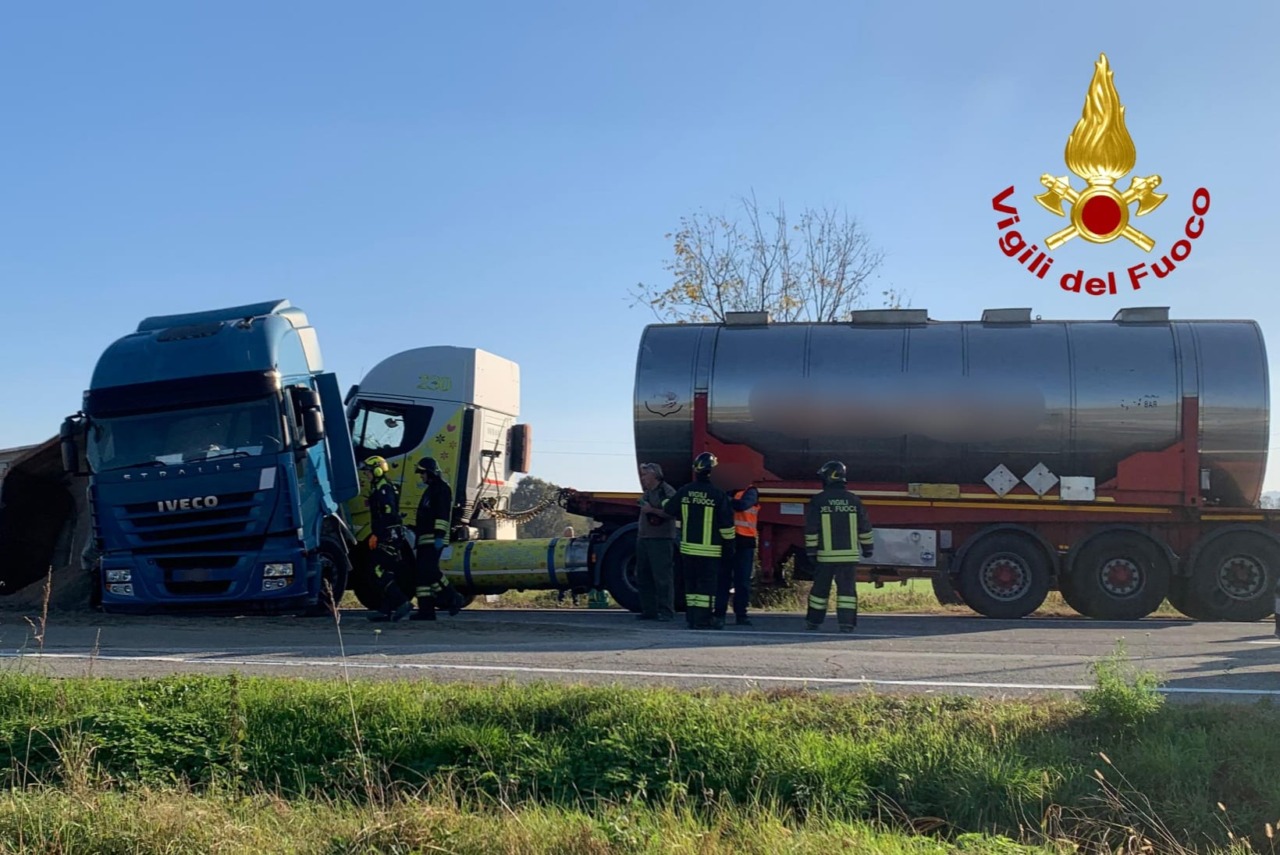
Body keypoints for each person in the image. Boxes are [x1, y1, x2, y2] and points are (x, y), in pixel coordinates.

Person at [663, 452, 736, 630]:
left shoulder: (685, 491)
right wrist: (730, 547)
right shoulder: (718, 495)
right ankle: (703, 620)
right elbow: (726, 526)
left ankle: (692, 618)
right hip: (710, 551)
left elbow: (669, 508)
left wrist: (665, 500)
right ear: (712, 471)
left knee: (691, 586)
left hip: (688, 550)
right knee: (706, 587)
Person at [804, 460, 875, 632]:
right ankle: (847, 624)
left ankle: (814, 622)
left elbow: (811, 528)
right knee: (847, 592)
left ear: (828, 477)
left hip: (825, 557)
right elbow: (864, 526)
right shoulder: (853, 500)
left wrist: (811, 551)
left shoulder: (819, 500)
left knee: (819, 591)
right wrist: (868, 548)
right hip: (848, 557)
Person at [408, 456, 465, 621]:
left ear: (430, 473)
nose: (421, 476)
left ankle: (453, 597)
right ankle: (426, 610)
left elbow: (442, 514)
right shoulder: (430, 490)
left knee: (430, 571)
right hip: (424, 539)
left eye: (423, 473)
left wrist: (439, 535)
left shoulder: (442, 489)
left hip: (434, 539)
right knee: (422, 575)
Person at [362, 455, 414, 622]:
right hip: (387, 534)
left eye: (368, 472)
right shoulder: (379, 486)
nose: (366, 475)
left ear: (377, 470)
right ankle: (387, 609)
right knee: (387, 572)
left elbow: (388, 514)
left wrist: (378, 534)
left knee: (377, 570)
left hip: (388, 536)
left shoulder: (383, 489)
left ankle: (401, 603)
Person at [714, 476, 760, 627]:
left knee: (742, 581)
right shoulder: (727, 492)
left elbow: (742, 505)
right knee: (723, 579)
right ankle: (719, 614)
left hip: (745, 542)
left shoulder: (751, 491)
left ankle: (741, 615)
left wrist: (726, 500)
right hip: (728, 541)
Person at [635, 462, 678, 622]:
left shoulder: (667, 491)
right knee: (643, 576)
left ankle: (666, 612)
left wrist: (651, 510)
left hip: (661, 539)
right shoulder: (647, 492)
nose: (642, 478)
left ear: (654, 475)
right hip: (644, 538)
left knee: (662, 577)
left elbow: (672, 512)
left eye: (645, 475)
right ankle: (649, 611)